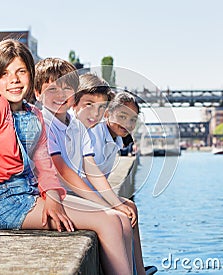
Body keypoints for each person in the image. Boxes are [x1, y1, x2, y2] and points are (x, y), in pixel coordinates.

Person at [0, 40, 135, 275]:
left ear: (30, 73)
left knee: (120, 219)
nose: (13, 80)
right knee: (107, 222)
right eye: (4, 73)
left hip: (34, 196)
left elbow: (45, 166)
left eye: (21, 71)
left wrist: (54, 199)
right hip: (7, 205)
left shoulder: (34, 114)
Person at [35, 59, 144, 274]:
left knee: (124, 214)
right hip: (50, 196)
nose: (61, 95)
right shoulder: (42, 122)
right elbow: (63, 172)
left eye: (67, 89)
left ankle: (136, 271)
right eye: (52, 89)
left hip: (66, 194)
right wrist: (106, 204)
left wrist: (112, 201)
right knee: (113, 219)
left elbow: (91, 167)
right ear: (37, 93)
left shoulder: (77, 127)